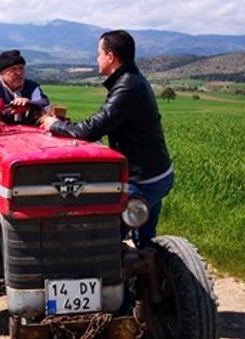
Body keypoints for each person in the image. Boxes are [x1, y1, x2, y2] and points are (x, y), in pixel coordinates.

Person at [40, 30, 173, 248]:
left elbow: (91, 129)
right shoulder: (131, 80)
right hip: (156, 173)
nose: (97, 59)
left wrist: (54, 125)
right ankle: (147, 274)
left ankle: (104, 276)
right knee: (144, 240)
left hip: (143, 180)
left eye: (98, 54)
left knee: (102, 238)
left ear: (110, 57)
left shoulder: (127, 86)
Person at [0, 49, 51, 125]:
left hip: (30, 128)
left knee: (50, 120)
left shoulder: (32, 87)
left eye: (21, 68)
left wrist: (29, 104)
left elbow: (44, 102)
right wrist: (9, 109)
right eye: (13, 69)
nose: (19, 73)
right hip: (3, 129)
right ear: (2, 73)